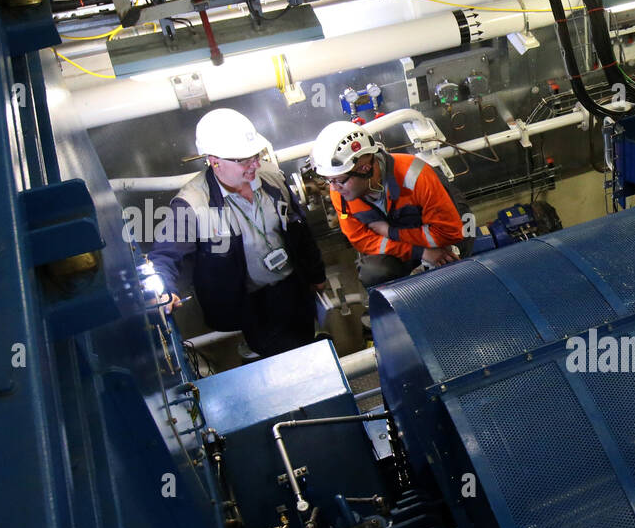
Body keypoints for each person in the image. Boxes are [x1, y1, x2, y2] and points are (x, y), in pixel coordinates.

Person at [149, 108, 327, 358]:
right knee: (281, 354)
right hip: (253, 303)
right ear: (214, 160)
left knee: (305, 338)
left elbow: (301, 229)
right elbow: (164, 257)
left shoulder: (271, 178)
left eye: (255, 155)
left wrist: (316, 273)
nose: (255, 164)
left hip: (293, 285)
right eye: (244, 160)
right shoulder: (193, 204)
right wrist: (162, 291)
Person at [310, 121, 471, 288]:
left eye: (338, 180)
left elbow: (449, 232)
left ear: (364, 168)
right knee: (373, 272)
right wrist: (420, 252)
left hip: (447, 230)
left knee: (455, 266)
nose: (334, 188)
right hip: (409, 244)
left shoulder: (416, 176)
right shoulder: (340, 192)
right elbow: (361, 240)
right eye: (329, 180)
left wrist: (390, 231)